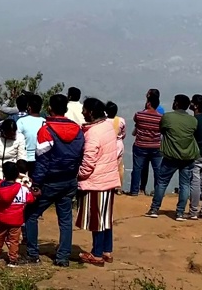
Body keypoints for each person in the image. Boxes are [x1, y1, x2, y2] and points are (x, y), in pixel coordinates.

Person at [24, 94, 85, 267]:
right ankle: (63, 257)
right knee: (65, 219)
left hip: (49, 180)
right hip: (69, 180)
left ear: (50, 108)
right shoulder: (78, 130)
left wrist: (36, 183)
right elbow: (81, 155)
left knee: (31, 214)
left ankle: (32, 254)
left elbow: (42, 161)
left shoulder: (46, 130)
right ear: (65, 109)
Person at [76, 98, 119, 266]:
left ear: (91, 112)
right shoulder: (107, 126)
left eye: (85, 110)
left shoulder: (93, 133)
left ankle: (97, 253)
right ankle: (107, 250)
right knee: (106, 217)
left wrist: (79, 175)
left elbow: (88, 160)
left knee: (96, 219)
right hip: (108, 179)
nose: (82, 113)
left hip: (96, 181)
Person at [149, 94, 199, 220]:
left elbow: (162, 129)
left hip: (170, 156)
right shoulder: (193, 120)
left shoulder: (168, 117)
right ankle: (180, 212)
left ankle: (154, 209)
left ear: (176, 104)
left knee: (162, 183)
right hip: (188, 156)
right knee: (185, 185)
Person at [0, 161, 34, 266]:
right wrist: (31, 190)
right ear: (17, 174)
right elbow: (30, 199)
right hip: (16, 219)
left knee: (0, 236)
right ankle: (12, 260)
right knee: (14, 240)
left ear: (4, 174)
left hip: (2, 217)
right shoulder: (22, 189)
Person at [130, 91, 164, 196]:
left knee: (137, 168)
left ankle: (135, 191)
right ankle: (158, 191)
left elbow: (136, 121)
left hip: (141, 145)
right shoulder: (161, 118)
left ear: (148, 104)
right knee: (158, 169)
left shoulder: (139, 115)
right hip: (156, 146)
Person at [186, 94, 202, 220]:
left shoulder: (194, 120)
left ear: (195, 105)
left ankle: (193, 211)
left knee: (194, 183)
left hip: (195, 155)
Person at [15, 94, 45, 163]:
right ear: (40, 108)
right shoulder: (45, 122)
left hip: (24, 160)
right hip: (40, 159)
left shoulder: (21, 121)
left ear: (29, 107)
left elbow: (16, 140)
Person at [105, 101, 126, 189]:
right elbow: (124, 133)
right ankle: (118, 187)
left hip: (107, 144)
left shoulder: (103, 121)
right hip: (118, 144)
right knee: (119, 167)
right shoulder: (120, 120)